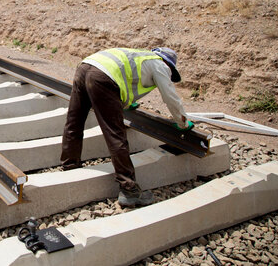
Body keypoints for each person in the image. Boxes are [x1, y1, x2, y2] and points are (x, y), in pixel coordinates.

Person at [60, 47, 194, 208]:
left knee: (74, 122)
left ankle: (70, 167)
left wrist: (126, 102)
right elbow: (169, 96)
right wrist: (182, 122)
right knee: (115, 133)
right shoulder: (160, 64)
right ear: (169, 64)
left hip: (85, 66)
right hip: (102, 77)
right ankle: (129, 189)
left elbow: (125, 77)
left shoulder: (138, 56)